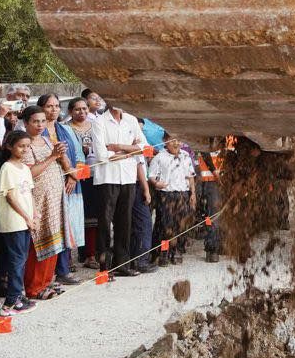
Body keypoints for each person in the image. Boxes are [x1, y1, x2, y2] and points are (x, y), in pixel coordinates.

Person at [17, 106, 69, 299]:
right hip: (37, 199)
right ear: (26, 123)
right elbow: (29, 173)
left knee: (53, 240)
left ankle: (47, 281)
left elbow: (58, 163)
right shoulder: (24, 144)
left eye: (43, 121)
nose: (40, 125)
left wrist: (61, 157)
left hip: (54, 199)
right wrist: (52, 156)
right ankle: (33, 287)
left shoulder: (47, 140)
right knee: (37, 243)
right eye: (35, 121)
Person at [91, 104, 147, 276]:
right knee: (105, 223)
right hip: (107, 178)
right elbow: (101, 154)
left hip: (128, 177)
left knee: (125, 222)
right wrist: (130, 149)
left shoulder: (131, 120)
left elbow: (144, 147)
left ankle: (122, 264)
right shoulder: (99, 121)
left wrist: (118, 147)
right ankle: (104, 266)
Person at [38, 94, 84, 285]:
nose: (54, 109)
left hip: (70, 184)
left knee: (67, 226)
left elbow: (79, 155)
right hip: (46, 184)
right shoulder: (36, 130)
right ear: (41, 108)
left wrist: (73, 177)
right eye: (49, 106)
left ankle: (63, 269)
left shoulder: (65, 129)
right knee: (50, 228)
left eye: (57, 106)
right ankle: (47, 274)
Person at [0, 130, 39, 315]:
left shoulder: (25, 168)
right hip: (14, 221)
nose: (25, 149)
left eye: (27, 146)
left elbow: (29, 193)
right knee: (16, 260)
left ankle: (17, 296)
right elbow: (11, 197)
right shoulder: (7, 168)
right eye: (21, 146)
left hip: (26, 220)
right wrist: (26, 217)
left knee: (21, 259)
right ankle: (11, 301)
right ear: (9, 147)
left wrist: (34, 213)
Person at [149, 134, 196, 263]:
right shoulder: (159, 157)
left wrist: (193, 194)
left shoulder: (186, 157)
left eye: (179, 140)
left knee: (181, 224)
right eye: (172, 140)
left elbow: (191, 176)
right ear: (165, 141)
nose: (176, 143)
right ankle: (163, 253)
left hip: (183, 194)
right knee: (164, 225)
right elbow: (151, 176)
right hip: (166, 195)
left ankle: (177, 251)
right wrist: (156, 183)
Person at [65, 97, 99, 267]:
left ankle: (90, 255)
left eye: (85, 109)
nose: (82, 112)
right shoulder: (65, 128)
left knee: (92, 216)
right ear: (70, 111)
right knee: (73, 215)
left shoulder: (95, 126)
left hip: (94, 175)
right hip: (73, 177)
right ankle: (69, 257)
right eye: (78, 109)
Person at [195, 137, 232, 262]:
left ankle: (222, 245)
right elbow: (204, 152)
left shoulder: (229, 138)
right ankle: (212, 249)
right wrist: (214, 170)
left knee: (226, 214)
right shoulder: (208, 137)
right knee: (214, 216)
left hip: (227, 181)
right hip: (211, 181)